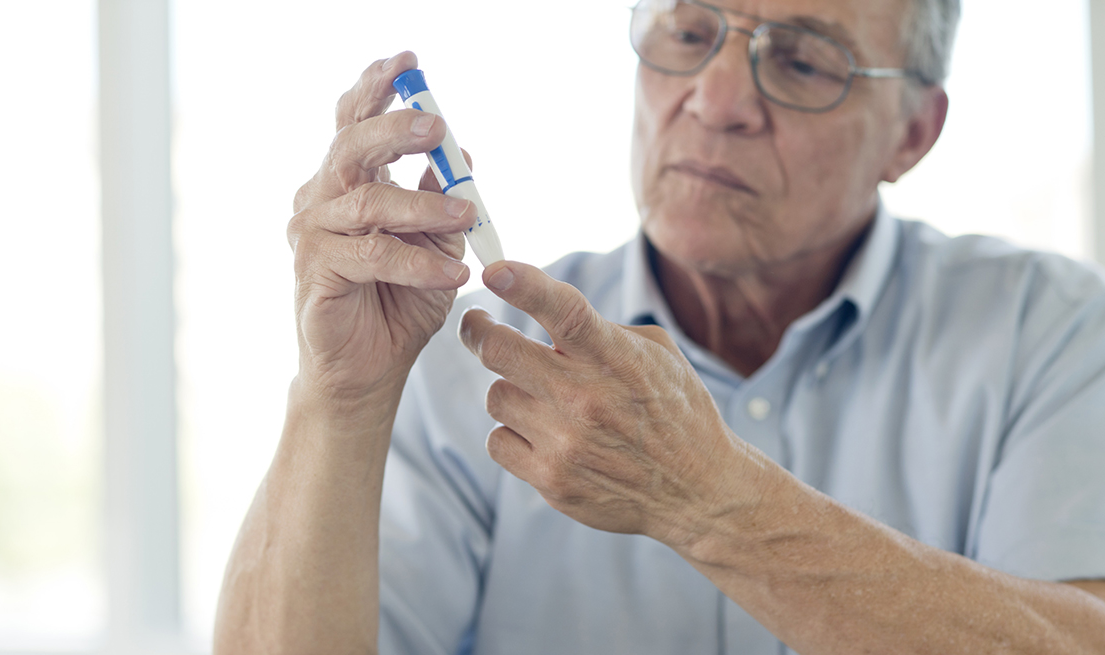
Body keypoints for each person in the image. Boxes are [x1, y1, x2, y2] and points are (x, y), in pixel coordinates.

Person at [214, 0, 1105, 652]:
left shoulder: (1047, 332)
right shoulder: (465, 350)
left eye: (799, 60)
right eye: (687, 33)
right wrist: (339, 402)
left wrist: (711, 496)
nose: (716, 100)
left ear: (913, 131)